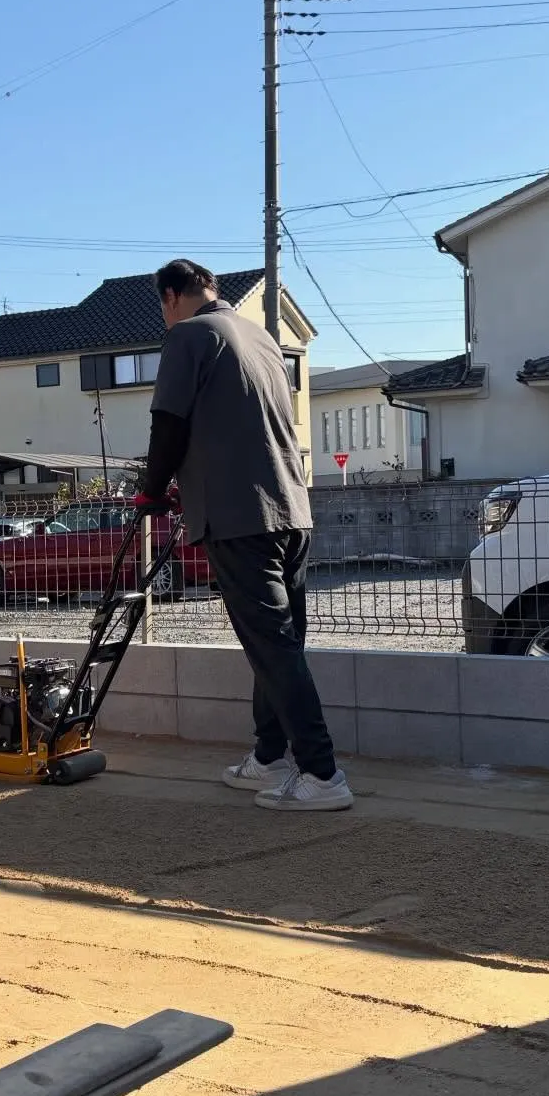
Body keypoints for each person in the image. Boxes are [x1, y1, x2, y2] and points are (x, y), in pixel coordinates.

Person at [136, 259, 353, 811]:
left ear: (170, 297)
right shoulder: (260, 338)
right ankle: (268, 757)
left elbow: (169, 422)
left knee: (273, 647)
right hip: (292, 509)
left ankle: (322, 775)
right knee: (276, 645)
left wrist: (151, 491)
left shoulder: (188, 336)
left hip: (239, 517)